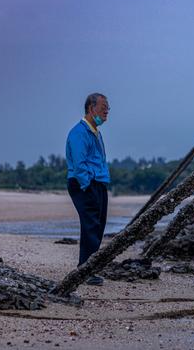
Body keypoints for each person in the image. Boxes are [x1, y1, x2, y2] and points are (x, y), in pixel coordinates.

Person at [65, 93, 111, 286]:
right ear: (91, 109)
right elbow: (79, 163)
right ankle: (85, 270)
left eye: (108, 108)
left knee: (98, 225)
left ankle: (90, 267)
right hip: (84, 184)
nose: (107, 112)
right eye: (103, 108)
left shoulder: (95, 132)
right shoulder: (79, 132)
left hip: (98, 183)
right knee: (90, 224)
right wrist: (88, 185)